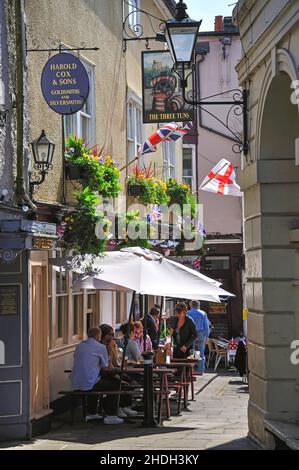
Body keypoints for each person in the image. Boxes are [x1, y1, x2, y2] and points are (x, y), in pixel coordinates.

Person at [70, 327, 124, 425]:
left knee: (95, 381)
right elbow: (105, 366)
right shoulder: (100, 347)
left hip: (75, 382)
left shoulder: (79, 346)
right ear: (99, 336)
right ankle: (110, 415)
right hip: (89, 383)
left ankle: (92, 412)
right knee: (115, 384)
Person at [99, 324, 138, 418]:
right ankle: (117, 408)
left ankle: (125, 406)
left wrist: (114, 349)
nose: (113, 337)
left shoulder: (110, 346)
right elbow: (107, 367)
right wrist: (117, 375)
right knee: (121, 384)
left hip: (112, 371)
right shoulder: (101, 347)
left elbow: (116, 361)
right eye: (111, 335)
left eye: (113, 334)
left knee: (131, 381)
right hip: (103, 374)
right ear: (104, 335)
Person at [187, 300, 210, 374]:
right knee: (201, 352)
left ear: (191, 305)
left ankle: (192, 369)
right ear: (198, 305)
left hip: (191, 334)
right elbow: (206, 326)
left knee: (192, 352)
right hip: (201, 334)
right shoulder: (203, 313)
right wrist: (207, 337)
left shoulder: (188, 313)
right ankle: (200, 370)